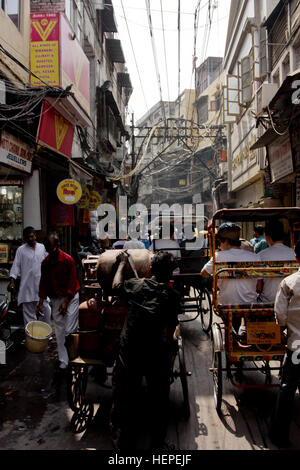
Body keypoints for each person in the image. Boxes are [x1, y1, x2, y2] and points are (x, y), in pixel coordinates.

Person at [109, 251, 181, 451]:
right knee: (159, 399)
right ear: (170, 274)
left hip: (130, 350)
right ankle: (158, 444)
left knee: (124, 396)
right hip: (156, 353)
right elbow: (171, 325)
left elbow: (115, 287)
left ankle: (122, 442)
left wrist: (123, 264)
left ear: (150, 269)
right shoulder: (173, 297)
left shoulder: (137, 285)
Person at [201, 223, 260, 341]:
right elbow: (259, 286)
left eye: (220, 242)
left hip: (226, 304)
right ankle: (244, 330)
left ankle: (233, 332)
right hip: (250, 302)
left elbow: (203, 273)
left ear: (225, 241)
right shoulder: (254, 257)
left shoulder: (218, 257)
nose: (219, 246)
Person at [269, 239, 300, 447]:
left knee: (287, 388)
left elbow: (280, 316)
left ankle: (279, 436)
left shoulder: (289, 282)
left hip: (297, 346)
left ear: (296, 258)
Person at [36, 232, 80, 373]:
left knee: (69, 330)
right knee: (59, 330)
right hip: (56, 298)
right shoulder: (45, 263)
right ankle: (64, 360)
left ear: (58, 246)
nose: (50, 252)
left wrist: (66, 301)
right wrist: (40, 302)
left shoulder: (68, 260)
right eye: (48, 250)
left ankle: (74, 355)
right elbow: (43, 283)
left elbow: (72, 283)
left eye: (52, 249)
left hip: (71, 297)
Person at [8, 226, 51, 327]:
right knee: (29, 316)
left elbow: (49, 263)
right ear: (24, 238)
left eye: (32, 236)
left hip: (41, 286)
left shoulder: (42, 247)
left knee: (46, 310)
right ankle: (32, 338)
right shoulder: (21, 250)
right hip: (27, 287)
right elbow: (15, 266)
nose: (30, 239)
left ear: (35, 236)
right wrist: (12, 281)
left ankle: (45, 335)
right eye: (28, 237)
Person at [258, 220, 295, 303]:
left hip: (268, 300)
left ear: (268, 237)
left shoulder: (261, 255)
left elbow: (259, 287)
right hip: (290, 300)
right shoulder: (293, 254)